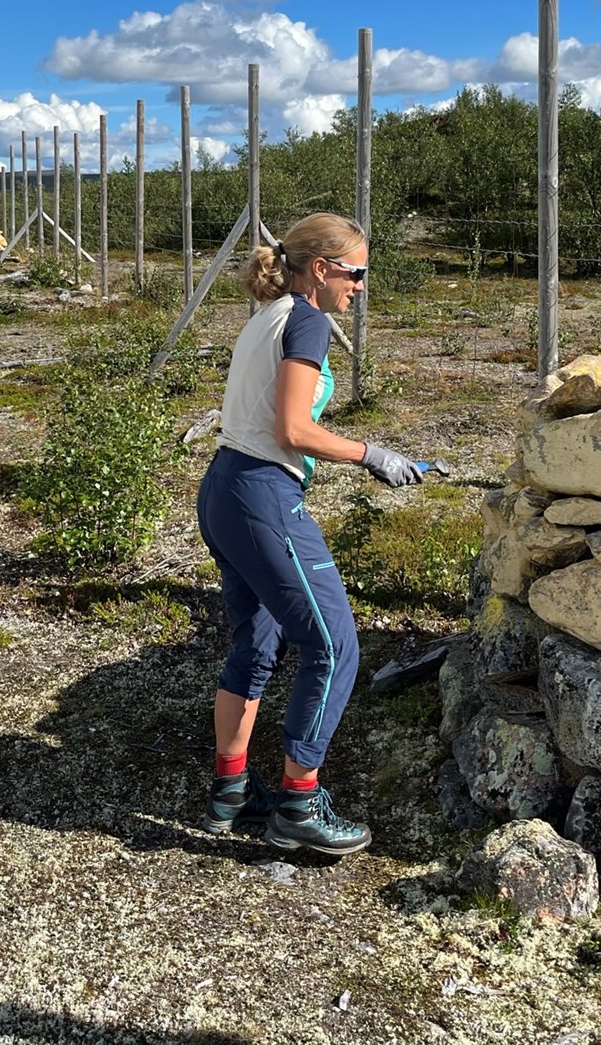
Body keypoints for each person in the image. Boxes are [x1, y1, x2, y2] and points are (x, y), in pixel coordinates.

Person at [195, 213, 424, 857]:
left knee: (257, 643)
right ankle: (301, 801)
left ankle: (231, 791)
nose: (359, 287)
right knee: (333, 643)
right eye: (355, 274)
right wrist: (371, 453)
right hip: (263, 493)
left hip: (224, 486)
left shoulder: (266, 315)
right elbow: (294, 428)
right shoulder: (308, 320)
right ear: (320, 270)